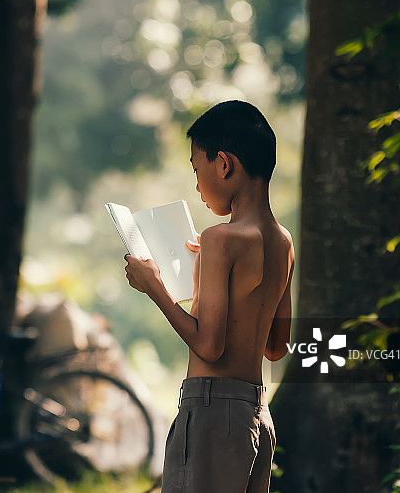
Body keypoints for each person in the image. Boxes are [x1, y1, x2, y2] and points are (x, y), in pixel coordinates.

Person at [124, 100, 293, 493]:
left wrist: (155, 287)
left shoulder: (221, 239)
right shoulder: (284, 242)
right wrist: (207, 275)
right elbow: (276, 347)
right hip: (256, 417)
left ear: (224, 164)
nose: (198, 185)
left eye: (197, 170)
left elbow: (210, 346)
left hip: (212, 413)